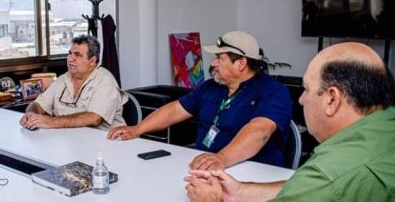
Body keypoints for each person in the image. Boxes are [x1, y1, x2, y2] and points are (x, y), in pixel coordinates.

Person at [186, 42, 395, 202]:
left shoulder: (335, 173)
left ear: (332, 99)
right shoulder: (381, 132)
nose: (302, 99)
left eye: (307, 89)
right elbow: (320, 192)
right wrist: (241, 191)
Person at [108, 30, 292, 169]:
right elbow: (175, 110)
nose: (213, 63)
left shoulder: (273, 92)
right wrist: (137, 129)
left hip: (251, 172)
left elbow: (260, 131)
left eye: (219, 58)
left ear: (241, 63)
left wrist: (222, 158)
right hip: (204, 167)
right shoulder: (209, 87)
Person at [20, 34, 127, 131]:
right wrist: (30, 116)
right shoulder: (62, 79)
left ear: (92, 61)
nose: (70, 59)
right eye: (70, 53)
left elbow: (94, 119)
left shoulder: (105, 80)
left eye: (77, 55)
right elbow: (37, 104)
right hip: (71, 143)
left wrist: (50, 122)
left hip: (105, 144)